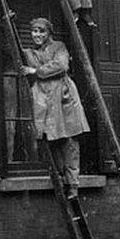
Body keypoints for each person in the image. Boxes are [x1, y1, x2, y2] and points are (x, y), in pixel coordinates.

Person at [20, 17, 90, 198]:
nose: (38, 35)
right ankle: (60, 178)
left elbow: (61, 65)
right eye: (34, 31)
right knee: (52, 139)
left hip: (63, 97)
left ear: (49, 32)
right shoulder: (30, 53)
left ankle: (73, 183)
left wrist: (36, 72)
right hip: (44, 98)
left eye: (42, 31)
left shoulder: (59, 47)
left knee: (69, 141)